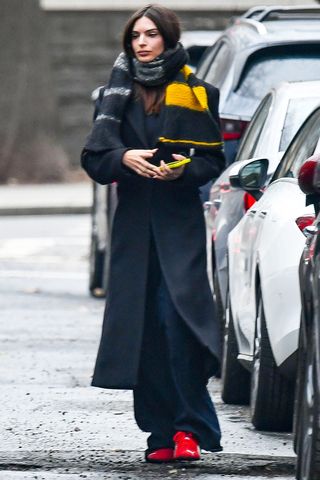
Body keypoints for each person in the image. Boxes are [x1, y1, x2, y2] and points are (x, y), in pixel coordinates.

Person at [81, 4, 226, 463]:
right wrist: (123, 157)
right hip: (132, 233)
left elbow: (211, 162)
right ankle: (159, 435)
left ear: (168, 38)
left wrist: (181, 171)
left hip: (178, 226)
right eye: (135, 36)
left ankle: (189, 429)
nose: (141, 42)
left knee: (176, 324)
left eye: (150, 34)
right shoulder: (112, 96)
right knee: (144, 333)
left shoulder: (198, 92)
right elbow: (95, 158)